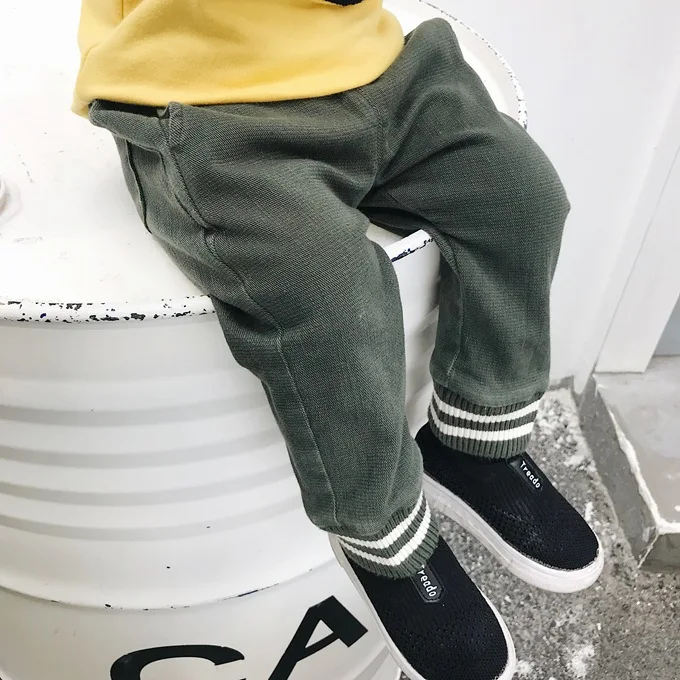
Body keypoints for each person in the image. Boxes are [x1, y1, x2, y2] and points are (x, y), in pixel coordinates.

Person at [74, 2, 603, 679]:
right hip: (209, 97)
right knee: (332, 291)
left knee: (520, 200)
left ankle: (476, 438)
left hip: (375, 69)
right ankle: (381, 531)